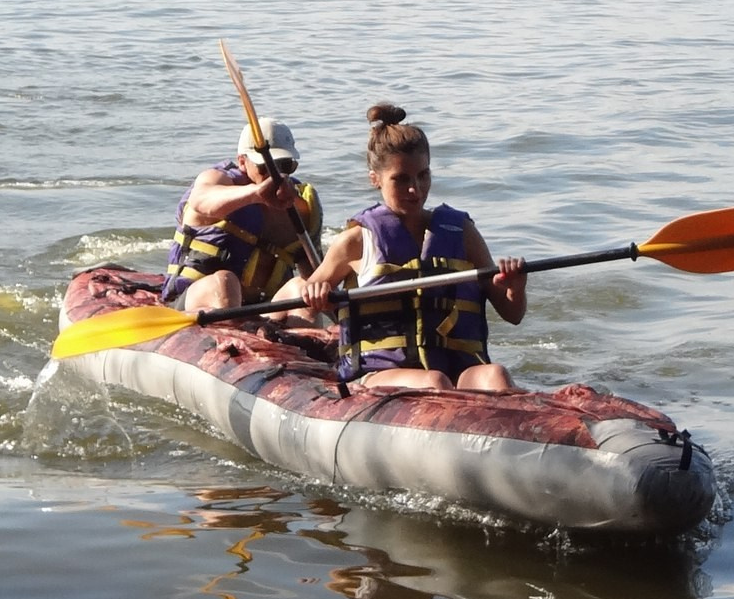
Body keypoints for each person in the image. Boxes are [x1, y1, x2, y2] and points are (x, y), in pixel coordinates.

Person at [299, 104, 526, 392]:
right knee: (434, 382)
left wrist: (515, 287)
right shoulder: (356, 241)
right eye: (401, 179)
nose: (415, 189)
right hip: (379, 373)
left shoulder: (462, 233)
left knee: (496, 375)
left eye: (423, 175)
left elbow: (513, 314)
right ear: (375, 179)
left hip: (456, 369)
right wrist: (316, 293)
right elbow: (310, 293)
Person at [155, 119, 324, 316]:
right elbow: (201, 201)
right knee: (225, 283)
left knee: (303, 288)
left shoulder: (300, 206)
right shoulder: (218, 181)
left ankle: (303, 342)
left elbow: (316, 274)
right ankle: (232, 340)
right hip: (197, 300)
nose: (276, 174)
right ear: (242, 162)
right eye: (265, 166)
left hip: (263, 309)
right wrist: (256, 193)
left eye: (284, 165)